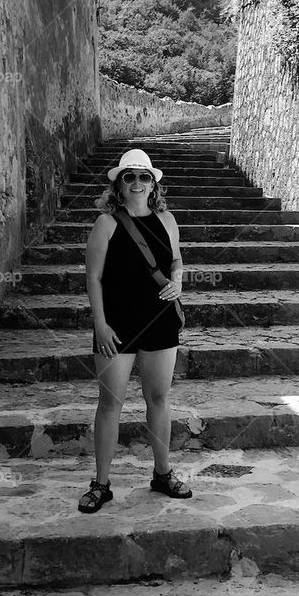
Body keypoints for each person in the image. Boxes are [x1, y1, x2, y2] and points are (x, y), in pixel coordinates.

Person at [78, 148, 194, 513]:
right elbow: (93, 277)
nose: (138, 183)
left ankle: (162, 474)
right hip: (117, 323)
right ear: (119, 185)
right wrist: (100, 323)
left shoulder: (168, 220)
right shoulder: (107, 223)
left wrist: (177, 280)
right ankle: (101, 484)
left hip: (159, 319)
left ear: (153, 183)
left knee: (159, 399)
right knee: (110, 402)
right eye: (130, 177)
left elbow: (175, 259)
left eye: (144, 177)